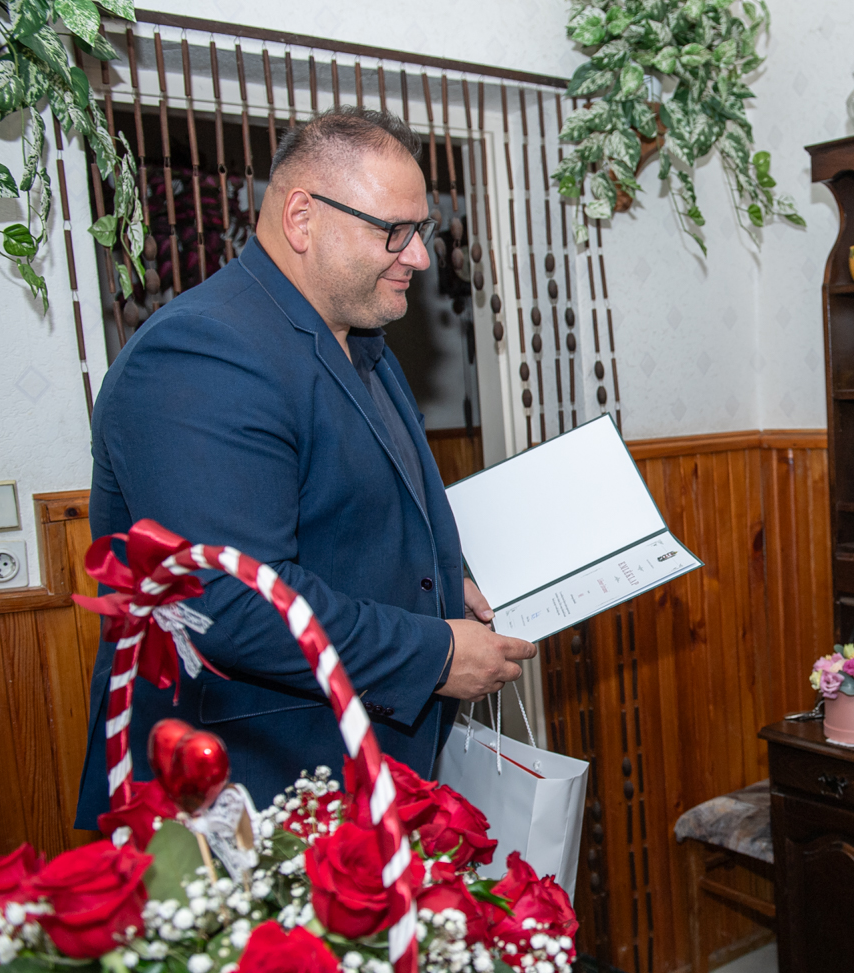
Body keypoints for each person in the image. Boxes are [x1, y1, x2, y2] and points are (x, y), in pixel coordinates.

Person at [74, 107, 536, 824]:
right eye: (395, 231)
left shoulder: (361, 342)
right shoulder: (201, 350)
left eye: (421, 230)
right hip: (249, 788)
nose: (419, 257)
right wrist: (437, 655)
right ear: (301, 217)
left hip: (358, 772)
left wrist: (448, 580)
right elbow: (231, 601)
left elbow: (353, 515)